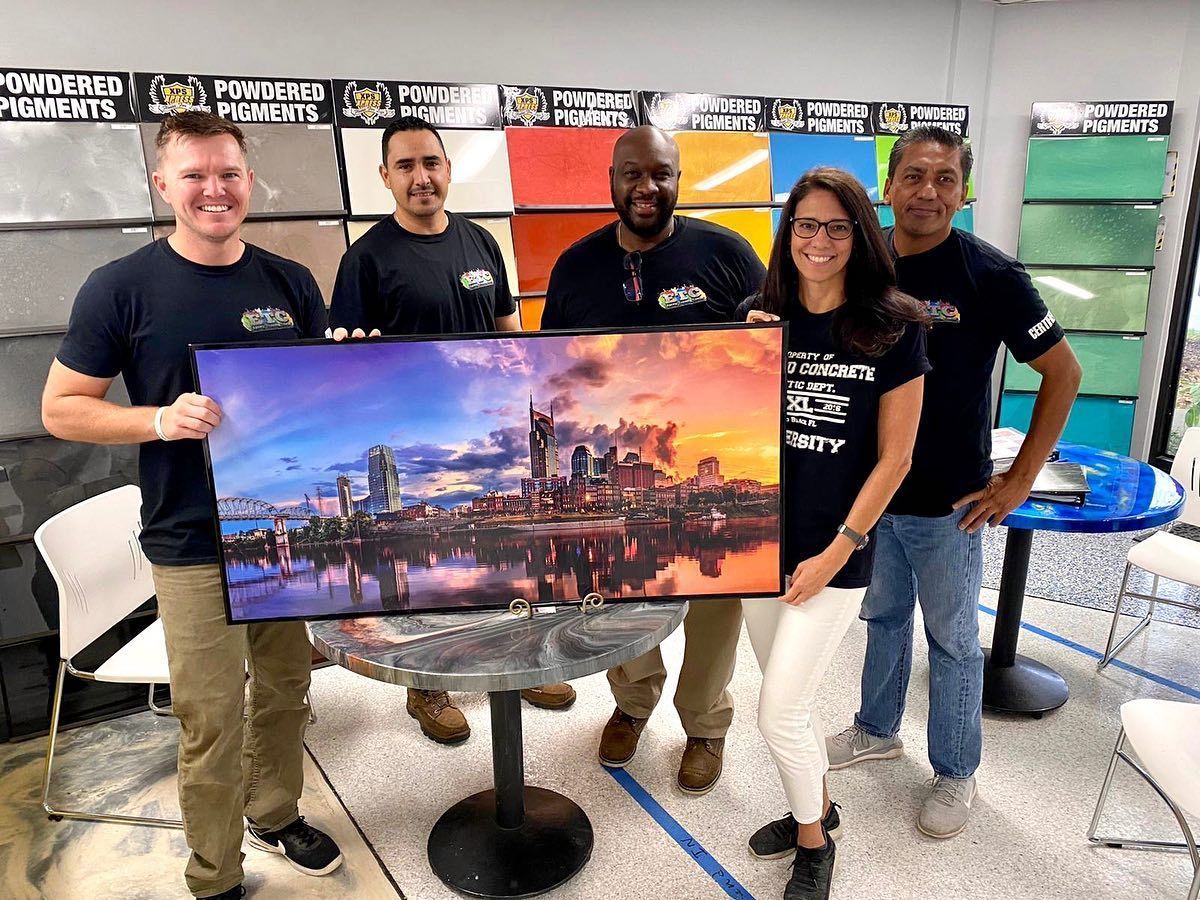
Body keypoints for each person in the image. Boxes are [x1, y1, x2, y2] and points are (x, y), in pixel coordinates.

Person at [42, 111, 342, 900]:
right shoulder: (121, 287)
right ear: (163, 185)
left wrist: (355, 367)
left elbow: (312, 403)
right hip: (189, 543)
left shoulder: (289, 281)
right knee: (210, 721)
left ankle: (274, 813)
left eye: (229, 173)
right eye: (196, 175)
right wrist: (158, 420)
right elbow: (62, 408)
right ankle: (214, 877)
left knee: (286, 690)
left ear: (248, 181)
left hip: (276, 541)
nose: (215, 189)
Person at [825, 126, 1081, 839]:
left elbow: (1063, 373)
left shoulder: (991, 276)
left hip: (949, 503)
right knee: (880, 621)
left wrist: (1019, 481)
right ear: (890, 184)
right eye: (914, 176)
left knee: (953, 641)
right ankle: (876, 728)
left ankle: (956, 770)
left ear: (962, 191)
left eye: (944, 179)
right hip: (872, 495)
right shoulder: (861, 258)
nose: (927, 192)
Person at [329, 116, 575, 746]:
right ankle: (428, 686)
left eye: (431, 163)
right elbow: (348, 366)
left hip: (483, 430)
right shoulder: (365, 260)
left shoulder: (483, 245)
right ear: (385, 176)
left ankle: (516, 668)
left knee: (509, 573)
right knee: (422, 586)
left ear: (448, 168)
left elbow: (509, 332)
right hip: (417, 436)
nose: (421, 177)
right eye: (406, 166)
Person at [542, 125, 766, 794]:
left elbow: (771, 345)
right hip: (621, 456)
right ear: (611, 180)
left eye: (661, 173)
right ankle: (633, 702)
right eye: (633, 174)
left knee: (714, 601)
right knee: (620, 596)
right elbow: (555, 368)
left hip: (707, 449)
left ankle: (704, 723)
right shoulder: (575, 265)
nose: (647, 187)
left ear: (678, 177)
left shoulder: (728, 254)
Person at [738, 167, 928, 900]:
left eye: (838, 227)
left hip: (835, 553)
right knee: (793, 704)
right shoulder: (759, 316)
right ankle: (812, 802)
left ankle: (815, 843)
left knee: (777, 709)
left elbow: (897, 458)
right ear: (789, 234)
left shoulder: (894, 324)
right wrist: (741, 354)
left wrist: (837, 551)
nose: (820, 241)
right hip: (759, 545)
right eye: (807, 226)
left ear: (861, 235)